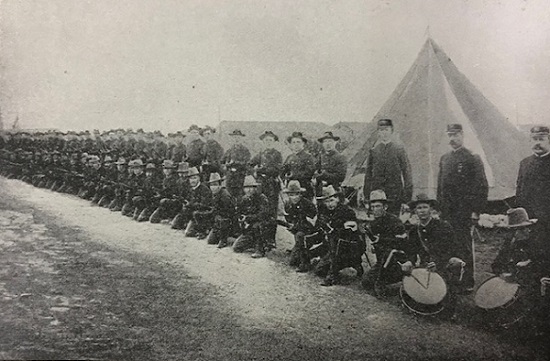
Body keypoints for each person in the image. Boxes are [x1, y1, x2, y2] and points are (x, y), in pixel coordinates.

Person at [437, 124, 488, 291]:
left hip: (463, 211)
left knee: (463, 246)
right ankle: (451, 279)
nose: (452, 139)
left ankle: (467, 282)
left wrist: (476, 211)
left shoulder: (472, 158)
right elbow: (441, 186)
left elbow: (481, 186)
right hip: (447, 211)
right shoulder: (445, 158)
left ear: (462, 135)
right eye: (450, 135)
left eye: (456, 135)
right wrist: (439, 208)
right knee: (448, 245)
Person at [403, 194, 469, 308]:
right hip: (425, 266)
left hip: (444, 264)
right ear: (415, 211)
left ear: (431, 209)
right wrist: (409, 261)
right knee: (412, 295)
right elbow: (412, 251)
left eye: (425, 207)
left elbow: (453, 250)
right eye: (419, 208)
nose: (422, 211)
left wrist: (438, 263)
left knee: (444, 299)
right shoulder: (414, 231)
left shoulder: (443, 226)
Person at [314, 185, 364, 286]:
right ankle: (340, 264)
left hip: (351, 246)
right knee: (319, 270)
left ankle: (336, 274)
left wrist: (334, 231)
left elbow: (351, 232)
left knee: (336, 241)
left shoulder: (347, 212)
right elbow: (318, 227)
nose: (329, 204)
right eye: (326, 202)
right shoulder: (325, 212)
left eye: (331, 200)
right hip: (334, 247)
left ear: (337, 198)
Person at [361, 190, 408, 294]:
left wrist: (381, 240)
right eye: (372, 207)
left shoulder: (395, 221)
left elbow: (403, 243)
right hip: (381, 262)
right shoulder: (374, 224)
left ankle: (399, 276)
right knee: (366, 281)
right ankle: (383, 278)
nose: (374, 210)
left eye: (377, 206)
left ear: (385, 207)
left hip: (396, 260)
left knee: (379, 283)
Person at [363, 119, 413, 215]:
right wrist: (367, 196)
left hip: (395, 194)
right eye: (381, 130)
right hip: (377, 194)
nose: (384, 133)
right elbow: (368, 175)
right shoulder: (374, 151)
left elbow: (407, 173)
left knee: (393, 220)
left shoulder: (399, 149)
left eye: (386, 130)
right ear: (378, 132)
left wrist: (407, 198)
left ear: (391, 131)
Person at [250, 130, 283, 249]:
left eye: (270, 140)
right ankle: (261, 238)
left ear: (274, 142)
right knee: (262, 211)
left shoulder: (277, 154)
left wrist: (261, 170)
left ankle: (271, 240)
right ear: (263, 142)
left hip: (272, 187)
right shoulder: (260, 154)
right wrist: (254, 172)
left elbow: (277, 170)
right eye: (266, 140)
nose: (268, 142)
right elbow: (249, 165)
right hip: (262, 186)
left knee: (272, 213)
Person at [516, 126, 550, 232]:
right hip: (528, 220)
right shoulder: (525, 163)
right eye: (535, 139)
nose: (537, 143)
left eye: (541, 139)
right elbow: (519, 191)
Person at [233, 175, 274, 258]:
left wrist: (248, 218)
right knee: (236, 247)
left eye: (251, 187)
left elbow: (263, 215)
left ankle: (261, 249)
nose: (248, 190)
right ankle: (253, 243)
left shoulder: (261, 198)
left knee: (258, 225)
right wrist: (242, 219)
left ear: (255, 188)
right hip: (250, 228)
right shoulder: (244, 199)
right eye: (246, 188)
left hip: (263, 226)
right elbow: (239, 213)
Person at [283, 180, 317, 272]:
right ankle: (299, 251)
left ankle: (306, 263)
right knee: (292, 262)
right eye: (291, 194)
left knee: (300, 235)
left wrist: (296, 227)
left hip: (311, 233)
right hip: (299, 232)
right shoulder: (288, 205)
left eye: (296, 194)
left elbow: (311, 224)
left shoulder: (308, 205)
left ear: (300, 194)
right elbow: (289, 220)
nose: (293, 197)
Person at [281, 132, 316, 200]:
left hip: (305, 188)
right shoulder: (289, 157)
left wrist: (294, 175)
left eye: (298, 142)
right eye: (293, 142)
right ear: (291, 145)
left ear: (303, 144)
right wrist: (283, 180)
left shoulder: (308, 157)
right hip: (292, 189)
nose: (296, 144)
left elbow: (309, 172)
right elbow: (282, 171)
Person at [205, 172, 236, 248]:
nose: (213, 187)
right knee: (210, 241)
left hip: (228, 221)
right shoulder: (214, 194)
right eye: (211, 185)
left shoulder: (225, 196)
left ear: (220, 185)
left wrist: (218, 214)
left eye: (215, 185)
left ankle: (225, 239)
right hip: (218, 221)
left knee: (222, 220)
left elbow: (230, 212)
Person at [181, 167, 213, 238]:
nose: (192, 181)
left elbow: (205, 205)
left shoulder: (205, 189)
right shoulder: (190, 189)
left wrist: (191, 204)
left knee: (196, 214)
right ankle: (191, 225)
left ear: (199, 178)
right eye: (191, 178)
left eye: (194, 178)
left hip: (204, 213)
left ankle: (203, 230)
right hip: (194, 213)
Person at [221, 129, 251, 199]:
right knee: (229, 195)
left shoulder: (245, 150)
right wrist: (225, 166)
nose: (236, 139)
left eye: (238, 137)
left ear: (241, 139)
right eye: (234, 137)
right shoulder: (229, 150)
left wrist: (235, 163)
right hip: (230, 176)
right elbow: (222, 162)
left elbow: (248, 163)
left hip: (240, 176)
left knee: (240, 195)